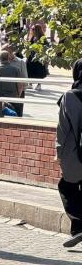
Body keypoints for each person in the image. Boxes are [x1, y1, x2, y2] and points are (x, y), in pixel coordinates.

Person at [58, 58, 82, 248]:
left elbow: (63, 130)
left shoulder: (70, 96)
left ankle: (79, 226)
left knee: (66, 187)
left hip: (75, 155)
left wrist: (59, 153)